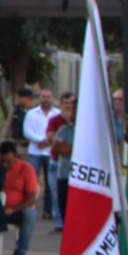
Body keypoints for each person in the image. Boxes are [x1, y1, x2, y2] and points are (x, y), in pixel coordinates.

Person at [0, 140, 39, 255]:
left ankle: (20, 253)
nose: (6, 165)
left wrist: (14, 209)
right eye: (3, 162)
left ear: (15, 156)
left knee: (30, 215)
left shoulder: (26, 169)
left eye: (8, 162)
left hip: (17, 210)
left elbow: (32, 198)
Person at [23, 87, 58, 221]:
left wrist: (47, 142)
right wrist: (41, 140)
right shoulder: (31, 114)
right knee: (32, 181)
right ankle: (29, 208)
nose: (46, 99)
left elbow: (58, 131)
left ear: (53, 98)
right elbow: (27, 132)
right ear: (39, 98)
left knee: (50, 183)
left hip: (51, 151)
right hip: (35, 152)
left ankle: (48, 210)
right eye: (43, 96)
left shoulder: (57, 114)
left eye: (48, 96)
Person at [50, 92, 77, 228]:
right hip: (64, 175)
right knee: (64, 210)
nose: (72, 112)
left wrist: (70, 149)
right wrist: (77, 149)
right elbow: (58, 147)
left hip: (80, 179)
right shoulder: (64, 130)